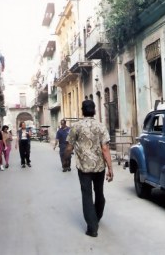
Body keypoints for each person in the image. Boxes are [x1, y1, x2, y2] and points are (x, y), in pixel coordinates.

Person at [65, 100, 114, 237]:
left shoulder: (76, 127)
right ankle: (96, 217)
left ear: (82, 111)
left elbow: (69, 147)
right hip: (99, 167)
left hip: (84, 168)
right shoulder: (100, 126)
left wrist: (66, 158)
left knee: (87, 195)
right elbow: (105, 148)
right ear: (94, 111)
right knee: (99, 193)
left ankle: (92, 227)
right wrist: (110, 168)